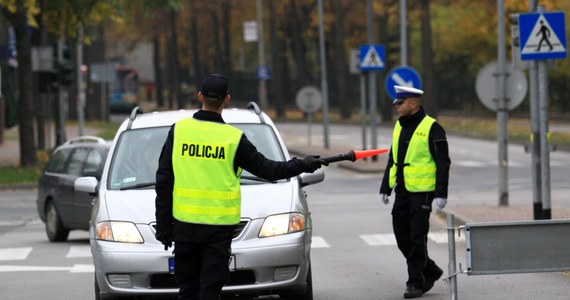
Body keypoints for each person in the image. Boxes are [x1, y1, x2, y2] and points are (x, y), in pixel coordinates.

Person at [154, 73, 327, 300]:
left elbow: (164, 180)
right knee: (210, 291)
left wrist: (164, 227)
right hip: (218, 232)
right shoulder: (233, 139)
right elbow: (269, 170)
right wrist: (303, 164)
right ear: (226, 99)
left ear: (199, 97)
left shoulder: (179, 131)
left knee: (187, 291)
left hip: (184, 229)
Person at [379, 85, 451, 299]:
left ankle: (415, 282)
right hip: (403, 190)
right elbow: (393, 159)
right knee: (402, 236)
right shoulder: (399, 126)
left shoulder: (432, 127)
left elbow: (443, 162)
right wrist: (386, 187)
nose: (397, 108)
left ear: (412, 103)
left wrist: (441, 192)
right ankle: (430, 269)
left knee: (417, 237)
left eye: (400, 103)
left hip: (423, 192)